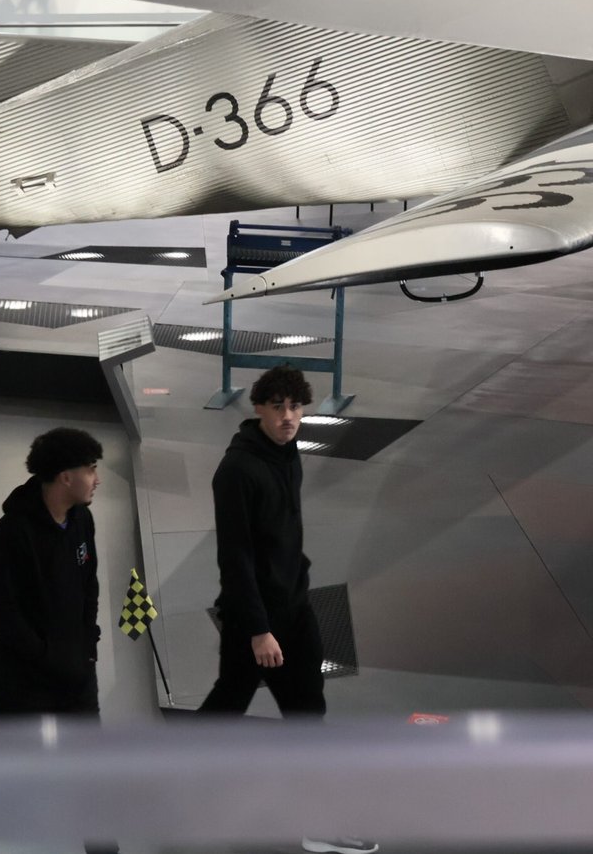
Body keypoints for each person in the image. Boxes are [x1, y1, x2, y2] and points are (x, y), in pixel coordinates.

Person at [198, 366, 377, 854]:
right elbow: (235, 558)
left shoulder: (287, 453)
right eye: (277, 407)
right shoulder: (236, 472)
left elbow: (284, 534)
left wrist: (297, 584)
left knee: (297, 708)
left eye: (295, 407)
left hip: (293, 607)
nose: (288, 417)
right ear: (258, 407)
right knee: (249, 702)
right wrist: (259, 629)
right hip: (256, 619)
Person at [0, 427, 114, 854]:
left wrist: (87, 644)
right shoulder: (13, 531)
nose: (97, 479)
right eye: (90, 469)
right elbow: (1, 610)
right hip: (22, 681)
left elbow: (89, 586)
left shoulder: (82, 519)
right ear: (65, 476)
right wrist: (48, 658)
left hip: (76, 675)